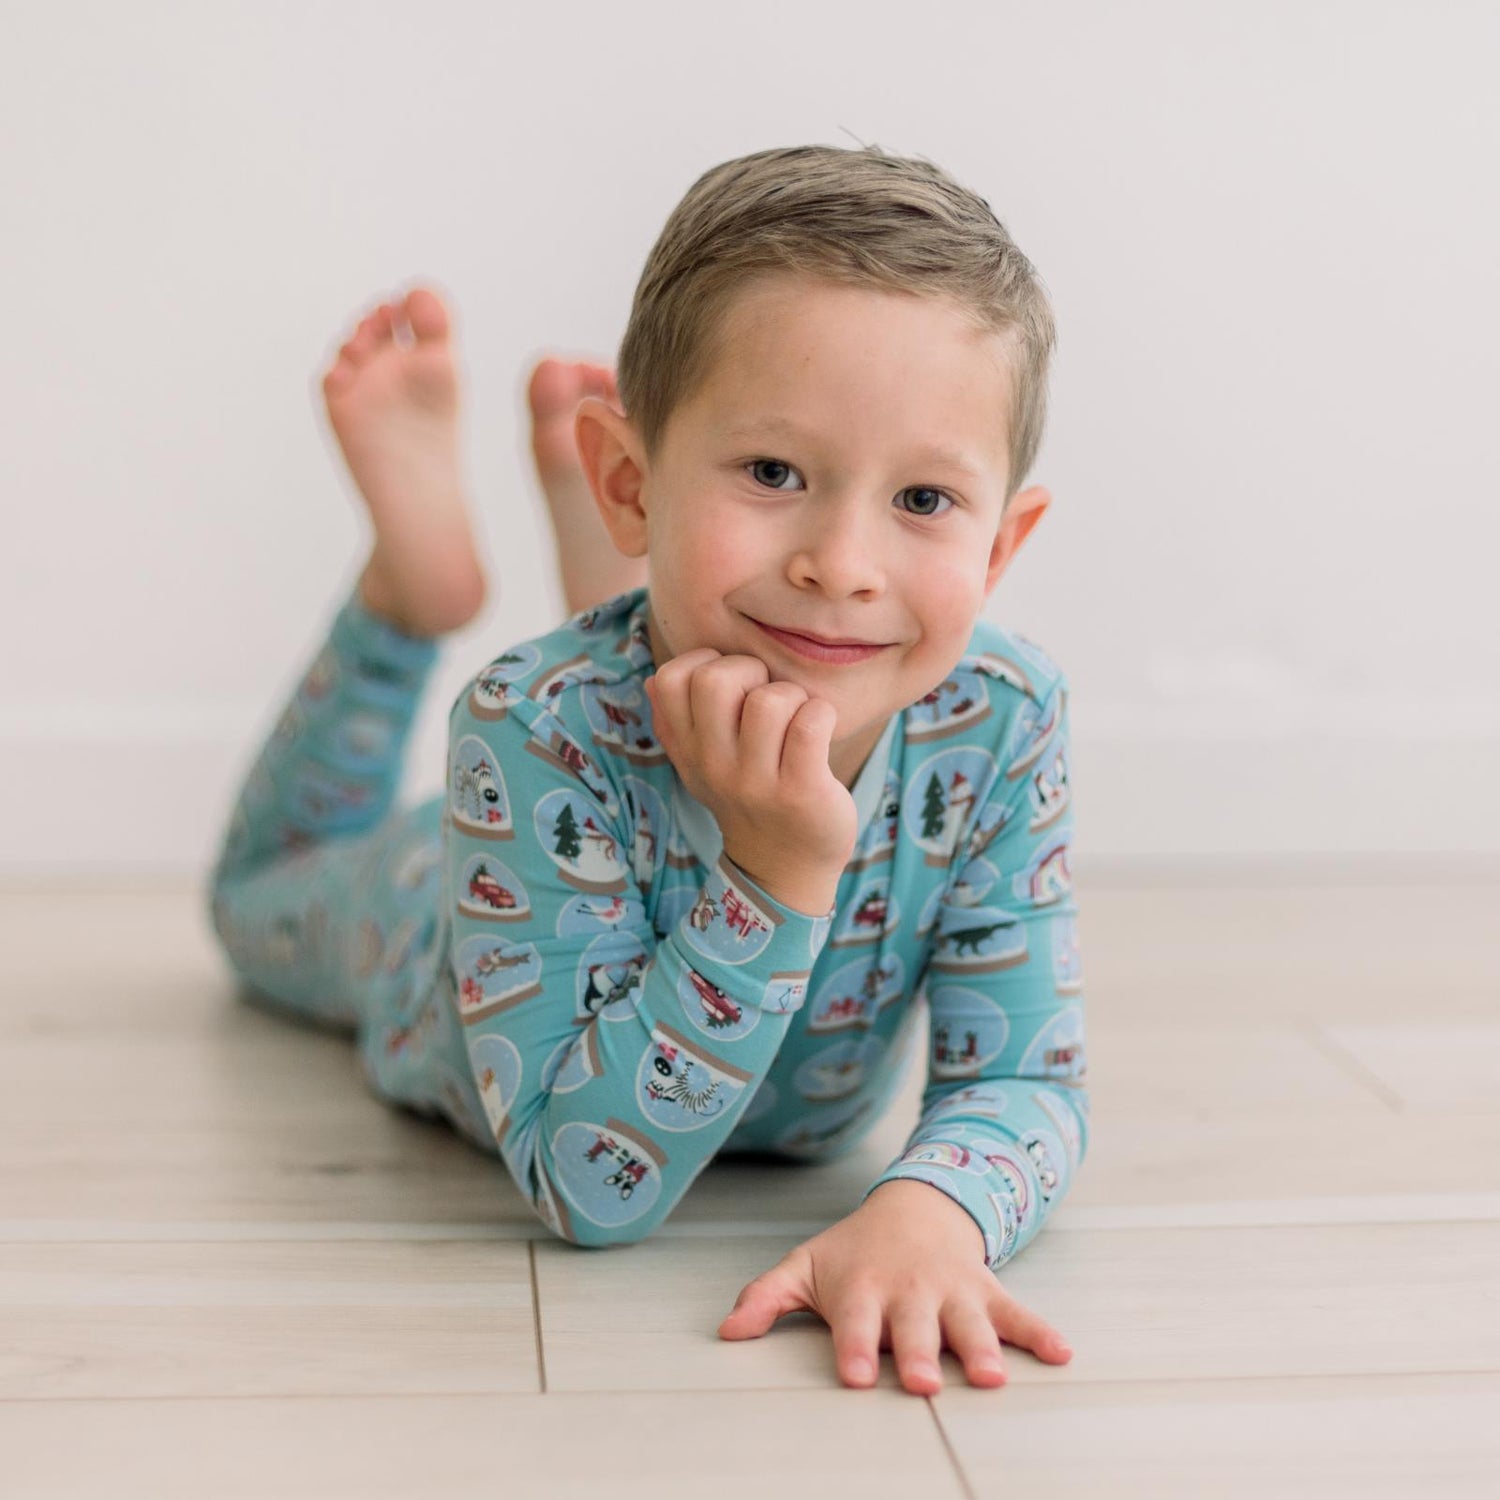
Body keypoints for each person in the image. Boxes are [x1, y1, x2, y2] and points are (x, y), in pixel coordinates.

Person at [206, 142, 1086, 1396]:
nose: (845, 561)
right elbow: (584, 1185)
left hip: (638, 748)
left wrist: (933, 1210)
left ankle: (632, 593)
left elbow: (1025, 1075)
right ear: (639, 475)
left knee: (698, 630)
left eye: (926, 500)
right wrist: (778, 875)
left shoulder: (1002, 717)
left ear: (1002, 547)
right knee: (256, 900)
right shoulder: (526, 728)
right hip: (431, 917)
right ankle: (411, 596)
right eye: (773, 473)